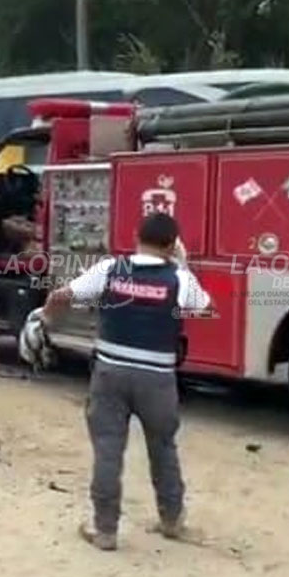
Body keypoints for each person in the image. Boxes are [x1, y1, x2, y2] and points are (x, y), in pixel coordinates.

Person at [39, 212, 211, 552]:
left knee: (107, 450)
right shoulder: (178, 278)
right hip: (158, 380)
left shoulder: (109, 270)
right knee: (163, 448)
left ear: (136, 234)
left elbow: (61, 296)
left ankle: (105, 531)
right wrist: (183, 266)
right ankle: (172, 520)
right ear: (172, 244)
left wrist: (43, 319)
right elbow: (204, 309)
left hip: (110, 374)